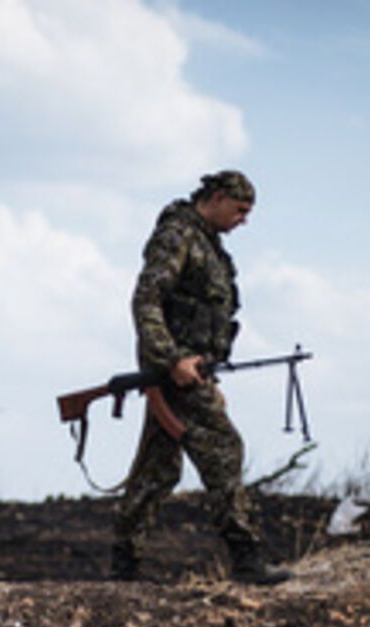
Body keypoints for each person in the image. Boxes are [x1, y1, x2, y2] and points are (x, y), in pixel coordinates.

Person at [110, 170, 289, 585]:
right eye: (240, 210)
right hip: (175, 372)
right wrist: (172, 359)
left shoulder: (208, 244)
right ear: (218, 197)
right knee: (224, 447)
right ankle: (246, 560)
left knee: (157, 470)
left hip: (191, 374)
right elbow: (146, 300)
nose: (244, 220)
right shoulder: (178, 235)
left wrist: (209, 379)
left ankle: (124, 564)